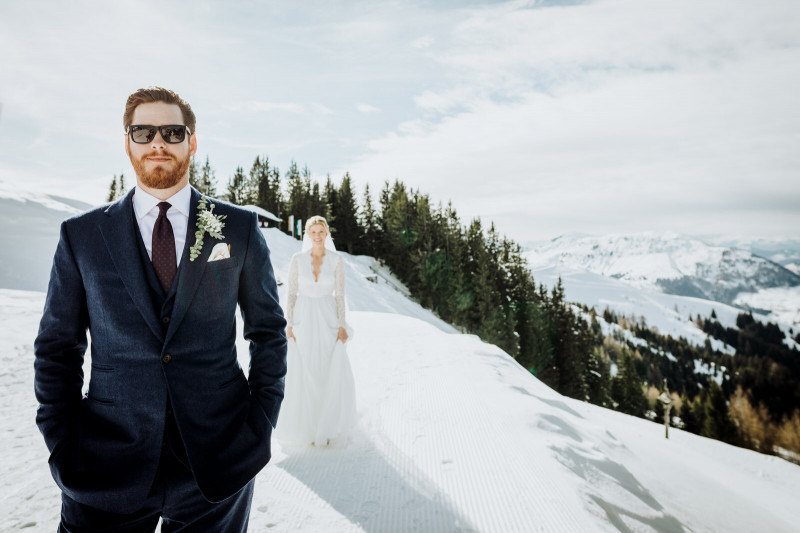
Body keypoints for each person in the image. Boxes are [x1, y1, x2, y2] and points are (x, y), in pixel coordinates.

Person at [33, 87, 287, 532]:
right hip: (104, 462)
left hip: (217, 460)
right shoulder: (81, 235)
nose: (157, 143)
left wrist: (259, 425)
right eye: (143, 132)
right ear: (127, 143)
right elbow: (57, 348)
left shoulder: (239, 227)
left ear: (192, 142)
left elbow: (267, 331)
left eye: (172, 132)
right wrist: (62, 442)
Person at [277, 216, 357, 446]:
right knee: (305, 369)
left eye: (321, 231)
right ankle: (309, 428)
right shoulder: (297, 259)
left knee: (326, 369)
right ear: (307, 234)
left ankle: (329, 426)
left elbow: (339, 295)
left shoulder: (337, 260)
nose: (317, 236)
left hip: (328, 318)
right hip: (303, 319)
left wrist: (342, 324)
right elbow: (291, 293)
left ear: (327, 233)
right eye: (313, 232)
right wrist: (289, 323)